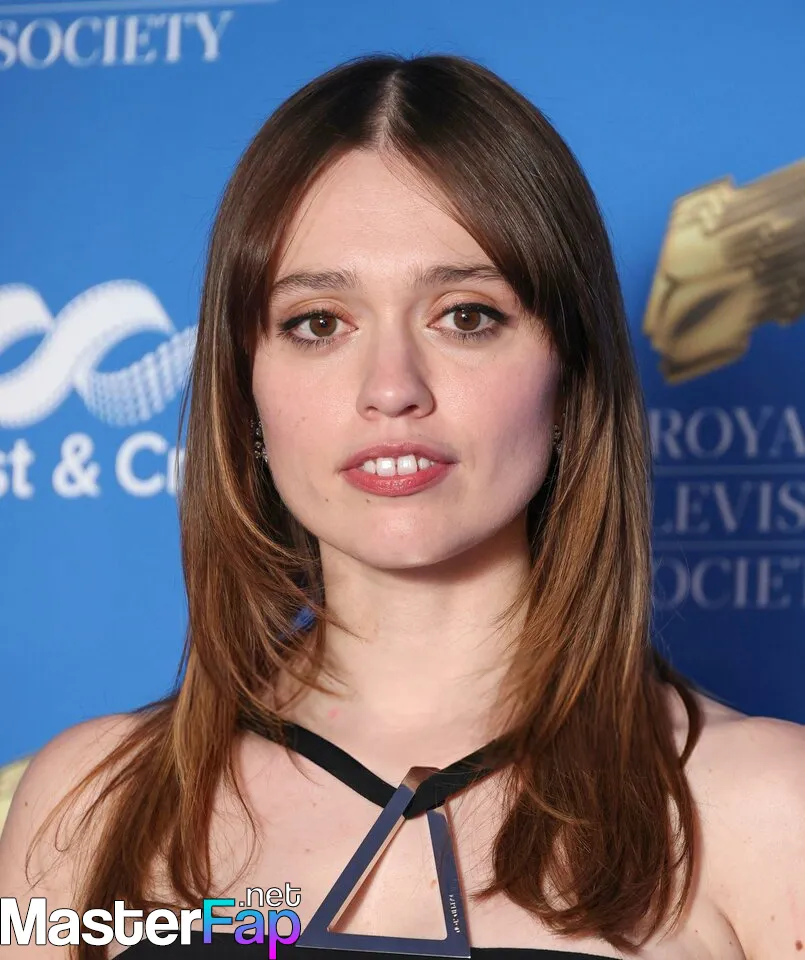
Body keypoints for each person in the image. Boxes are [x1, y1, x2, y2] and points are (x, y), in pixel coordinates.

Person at [1, 52, 804, 960]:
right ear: (245, 388)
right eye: (318, 323)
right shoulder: (87, 806)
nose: (390, 388)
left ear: (569, 375)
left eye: (465, 315)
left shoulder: (768, 810)